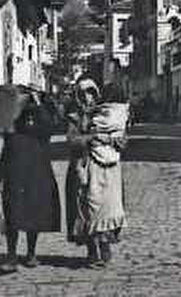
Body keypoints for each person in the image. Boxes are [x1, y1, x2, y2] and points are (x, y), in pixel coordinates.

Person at [0, 92, 61, 273]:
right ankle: (12, 257)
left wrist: (38, 104)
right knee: (12, 214)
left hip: (37, 173)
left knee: (34, 213)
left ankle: (31, 254)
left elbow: (51, 126)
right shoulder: (13, 127)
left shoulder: (41, 128)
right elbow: (6, 152)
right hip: (15, 174)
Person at [66, 80, 128, 268]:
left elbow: (123, 140)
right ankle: (92, 251)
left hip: (108, 167)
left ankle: (105, 244)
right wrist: (92, 137)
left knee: (109, 207)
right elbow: (72, 140)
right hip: (85, 167)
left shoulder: (108, 113)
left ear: (96, 94)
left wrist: (117, 139)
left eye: (91, 93)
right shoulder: (75, 117)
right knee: (88, 207)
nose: (87, 97)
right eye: (83, 93)